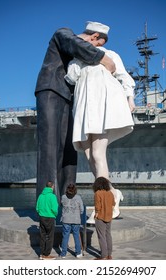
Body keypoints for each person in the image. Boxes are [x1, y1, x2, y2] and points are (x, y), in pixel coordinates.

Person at [35, 21, 116, 202]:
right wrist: (105, 59)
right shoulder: (63, 32)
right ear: (94, 37)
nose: (97, 48)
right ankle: (47, 208)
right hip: (50, 91)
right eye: (98, 44)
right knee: (49, 148)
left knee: (69, 151)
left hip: (70, 98)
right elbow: (75, 44)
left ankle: (67, 202)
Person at [64, 29, 135, 216]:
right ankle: (112, 193)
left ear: (100, 41)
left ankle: (104, 206)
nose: (88, 40)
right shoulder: (78, 59)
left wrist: (130, 98)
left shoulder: (110, 55)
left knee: (97, 152)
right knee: (89, 156)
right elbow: (71, 77)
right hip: (84, 107)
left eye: (93, 38)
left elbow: (123, 75)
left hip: (102, 106)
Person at [93, 177, 115, 260]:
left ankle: (103, 255)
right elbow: (113, 204)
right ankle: (109, 254)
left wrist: (96, 214)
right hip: (109, 217)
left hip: (100, 217)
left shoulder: (97, 193)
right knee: (108, 235)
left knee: (101, 236)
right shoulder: (110, 193)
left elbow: (97, 206)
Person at [60, 184, 84, 258]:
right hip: (76, 219)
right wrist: (78, 213)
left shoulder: (63, 197)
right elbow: (82, 209)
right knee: (76, 235)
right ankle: (78, 253)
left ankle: (63, 253)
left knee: (65, 236)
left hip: (66, 219)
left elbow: (61, 206)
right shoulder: (78, 197)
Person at [36, 181, 59, 260]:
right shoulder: (52, 196)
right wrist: (55, 215)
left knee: (42, 235)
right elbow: (54, 209)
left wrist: (41, 213)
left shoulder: (40, 196)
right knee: (50, 236)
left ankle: (42, 254)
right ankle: (47, 254)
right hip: (50, 217)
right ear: (52, 186)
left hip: (42, 217)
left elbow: (37, 208)